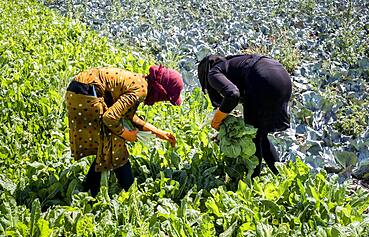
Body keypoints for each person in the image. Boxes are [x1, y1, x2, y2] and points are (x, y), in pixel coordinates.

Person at [65, 65, 184, 196]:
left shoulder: (140, 82)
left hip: (80, 88)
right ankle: (128, 190)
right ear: (160, 91)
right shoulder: (140, 90)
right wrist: (127, 134)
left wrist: (159, 133)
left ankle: (89, 189)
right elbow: (109, 118)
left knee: (108, 144)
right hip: (86, 93)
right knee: (115, 142)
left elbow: (128, 116)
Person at [197, 54, 292, 177]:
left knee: (254, 137)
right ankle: (280, 175)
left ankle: (253, 181)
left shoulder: (213, 73)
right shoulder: (231, 64)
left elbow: (232, 94)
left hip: (263, 81)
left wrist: (217, 120)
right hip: (283, 79)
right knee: (260, 134)